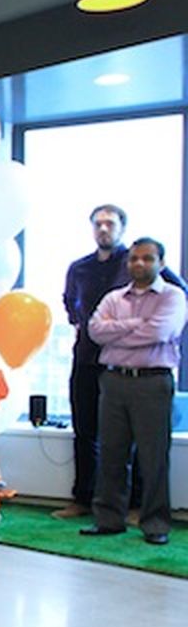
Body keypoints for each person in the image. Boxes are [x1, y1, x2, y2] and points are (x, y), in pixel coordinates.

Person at [56, 204, 185, 519]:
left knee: (141, 442)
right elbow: (75, 308)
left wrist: (117, 330)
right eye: (98, 224)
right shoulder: (79, 267)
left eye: (110, 224)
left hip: (140, 368)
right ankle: (84, 499)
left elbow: (169, 310)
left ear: (122, 228)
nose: (103, 229)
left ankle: (138, 505)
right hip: (88, 359)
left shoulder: (139, 261)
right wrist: (87, 325)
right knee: (87, 431)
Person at [80, 238, 186, 546]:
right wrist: (138, 325)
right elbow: (95, 331)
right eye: (135, 259)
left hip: (153, 382)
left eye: (147, 259)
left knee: (153, 457)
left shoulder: (173, 297)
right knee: (111, 453)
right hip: (114, 381)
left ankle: (155, 523)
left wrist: (120, 331)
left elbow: (161, 331)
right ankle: (108, 519)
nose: (139, 264)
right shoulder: (114, 297)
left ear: (161, 263)